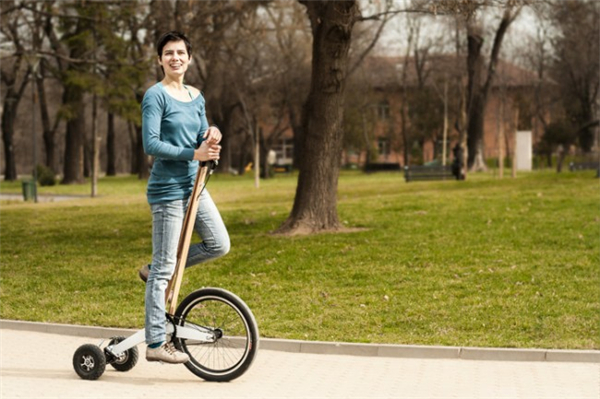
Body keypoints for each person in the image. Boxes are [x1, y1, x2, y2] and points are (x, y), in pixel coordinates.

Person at [140, 31, 230, 364]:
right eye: (168, 53)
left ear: (189, 59)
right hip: (168, 191)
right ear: (159, 59)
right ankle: (154, 343)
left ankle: (155, 270)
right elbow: (151, 144)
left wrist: (213, 132)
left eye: (180, 53)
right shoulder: (155, 96)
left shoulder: (196, 95)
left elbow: (201, 134)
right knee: (166, 268)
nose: (175, 58)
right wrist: (194, 154)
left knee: (219, 243)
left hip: (196, 187)